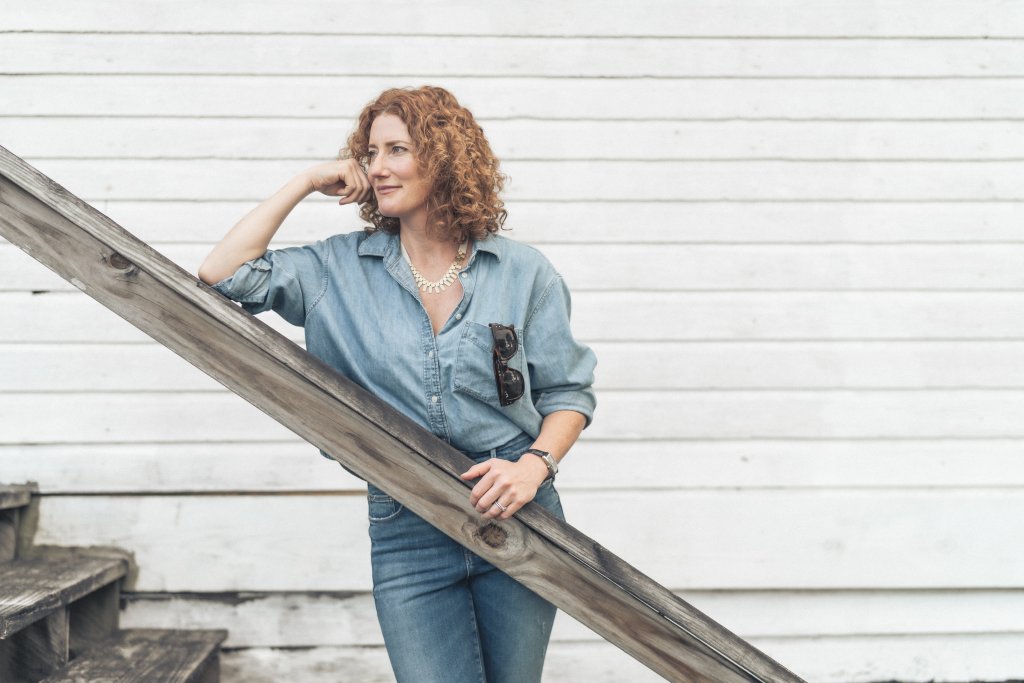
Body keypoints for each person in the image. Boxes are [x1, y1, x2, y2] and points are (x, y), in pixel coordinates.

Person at [198, 85, 596, 682]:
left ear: (444, 158)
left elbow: (568, 394)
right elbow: (221, 273)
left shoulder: (522, 272)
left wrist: (533, 466)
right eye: (370, 152)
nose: (376, 167)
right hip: (407, 523)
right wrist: (306, 180)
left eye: (397, 150)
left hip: (520, 512)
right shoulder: (337, 268)